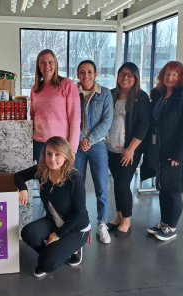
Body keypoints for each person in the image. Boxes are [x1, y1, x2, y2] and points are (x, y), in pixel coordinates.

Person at [14, 136, 91, 277]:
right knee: (27, 233)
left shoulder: (74, 178)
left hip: (76, 228)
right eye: (48, 153)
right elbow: (18, 176)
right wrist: (23, 188)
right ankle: (51, 253)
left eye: (57, 154)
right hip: (54, 221)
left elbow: (80, 214)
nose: (52, 159)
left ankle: (73, 249)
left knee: (48, 265)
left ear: (66, 156)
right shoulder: (42, 170)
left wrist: (58, 234)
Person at [142, 61, 183, 241]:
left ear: (181, 77)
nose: (170, 78)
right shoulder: (160, 95)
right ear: (162, 75)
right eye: (167, 74)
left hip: (176, 153)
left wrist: (179, 155)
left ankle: (172, 228)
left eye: (175, 74)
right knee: (163, 187)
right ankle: (164, 222)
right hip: (160, 150)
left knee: (174, 189)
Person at [105, 62, 150, 237]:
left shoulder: (141, 97)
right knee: (117, 184)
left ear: (136, 78)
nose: (125, 77)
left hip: (129, 150)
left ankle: (126, 222)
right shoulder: (111, 94)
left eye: (130, 75)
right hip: (111, 148)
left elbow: (144, 125)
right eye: (122, 74)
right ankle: (118, 217)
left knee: (123, 184)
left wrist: (131, 149)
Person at [74, 60, 113, 244]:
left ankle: (102, 223)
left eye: (90, 72)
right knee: (77, 185)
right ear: (78, 74)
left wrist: (89, 139)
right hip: (77, 145)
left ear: (95, 74)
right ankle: (80, 222)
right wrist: (82, 138)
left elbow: (107, 121)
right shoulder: (73, 92)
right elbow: (71, 117)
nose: (86, 76)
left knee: (101, 185)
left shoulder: (104, 93)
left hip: (97, 145)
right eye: (82, 72)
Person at [30, 49, 80, 162]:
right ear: (38, 66)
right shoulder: (35, 89)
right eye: (42, 62)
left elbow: (75, 120)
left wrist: (72, 149)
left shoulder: (67, 85)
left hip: (60, 145)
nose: (46, 66)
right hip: (39, 145)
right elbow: (33, 117)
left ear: (55, 64)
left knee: (60, 179)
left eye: (50, 62)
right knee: (43, 179)